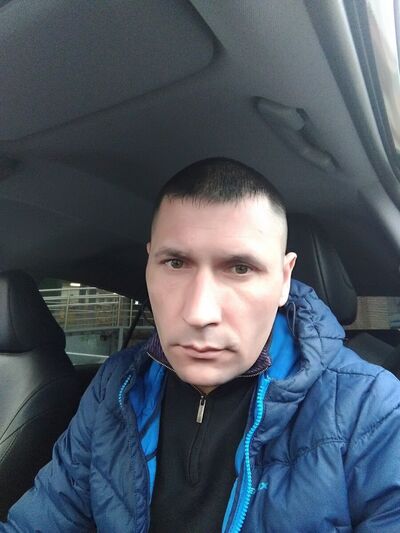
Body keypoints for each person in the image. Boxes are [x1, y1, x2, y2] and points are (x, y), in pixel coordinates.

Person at [1, 158, 400, 532]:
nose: (199, 312)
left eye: (240, 268)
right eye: (175, 263)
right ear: (149, 264)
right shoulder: (115, 387)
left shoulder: (373, 409)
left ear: (283, 279)